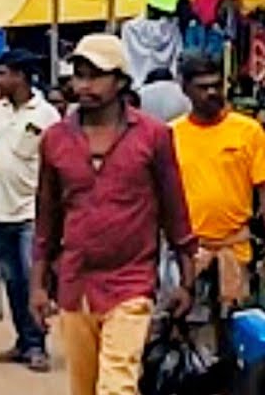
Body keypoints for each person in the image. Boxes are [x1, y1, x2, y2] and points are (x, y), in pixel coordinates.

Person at [32, 34, 195, 395]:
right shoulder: (56, 139)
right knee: (84, 387)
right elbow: (46, 218)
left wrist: (186, 278)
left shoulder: (153, 136)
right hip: (75, 282)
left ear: (121, 81)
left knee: (117, 384)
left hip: (132, 279)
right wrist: (38, 285)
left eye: (96, 75)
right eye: (79, 75)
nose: (85, 84)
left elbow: (174, 209)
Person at [0, 50, 61, 373]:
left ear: (21, 77)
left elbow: (56, 166)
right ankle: (23, 340)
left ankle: (37, 345)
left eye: (3, 74)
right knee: (12, 281)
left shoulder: (47, 115)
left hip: (30, 211)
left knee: (33, 281)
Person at [171, 54, 265, 307]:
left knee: (243, 332)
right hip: (189, 255)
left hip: (236, 252)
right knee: (196, 334)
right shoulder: (171, 135)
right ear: (185, 89)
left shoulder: (248, 131)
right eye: (202, 87)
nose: (211, 92)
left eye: (216, 85)